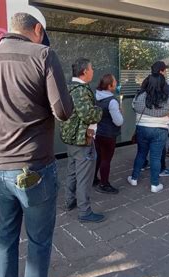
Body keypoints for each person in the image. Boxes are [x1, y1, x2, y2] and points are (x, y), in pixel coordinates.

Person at [0, 7, 74, 277]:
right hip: (34, 167)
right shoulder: (43, 55)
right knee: (39, 239)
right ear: (38, 31)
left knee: (6, 232)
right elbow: (63, 111)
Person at [61, 58, 105, 223]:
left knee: (72, 172)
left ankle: (69, 202)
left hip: (71, 138)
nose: (93, 71)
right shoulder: (80, 90)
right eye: (92, 68)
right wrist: (100, 110)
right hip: (81, 140)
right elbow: (88, 115)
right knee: (84, 177)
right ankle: (84, 211)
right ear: (85, 71)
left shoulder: (68, 87)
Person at [128, 61, 169, 193]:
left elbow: (134, 107)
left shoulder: (140, 95)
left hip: (142, 129)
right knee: (155, 157)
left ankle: (134, 178)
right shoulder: (168, 98)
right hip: (160, 130)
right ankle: (155, 184)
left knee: (141, 153)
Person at [93, 74, 124, 194]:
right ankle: (104, 184)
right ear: (110, 86)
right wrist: (121, 113)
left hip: (97, 132)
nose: (116, 83)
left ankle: (93, 178)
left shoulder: (96, 97)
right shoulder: (112, 101)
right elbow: (118, 121)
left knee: (98, 157)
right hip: (108, 135)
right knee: (106, 159)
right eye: (115, 82)